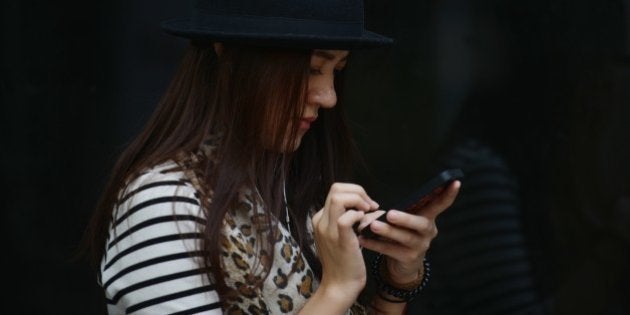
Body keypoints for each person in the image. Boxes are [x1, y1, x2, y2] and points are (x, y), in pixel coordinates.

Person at [82, 0, 461, 314]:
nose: (327, 96)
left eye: (336, 71)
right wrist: (337, 288)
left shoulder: (285, 189)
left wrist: (396, 282)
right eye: (312, 69)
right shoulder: (164, 205)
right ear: (229, 57)